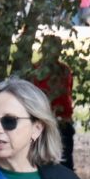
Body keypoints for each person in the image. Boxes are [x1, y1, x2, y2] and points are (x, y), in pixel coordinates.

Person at [26, 35, 76, 169]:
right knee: (39, 159)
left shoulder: (65, 71)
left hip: (62, 122)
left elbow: (68, 94)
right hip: (41, 121)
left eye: (57, 49)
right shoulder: (34, 71)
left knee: (65, 161)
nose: (55, 53)